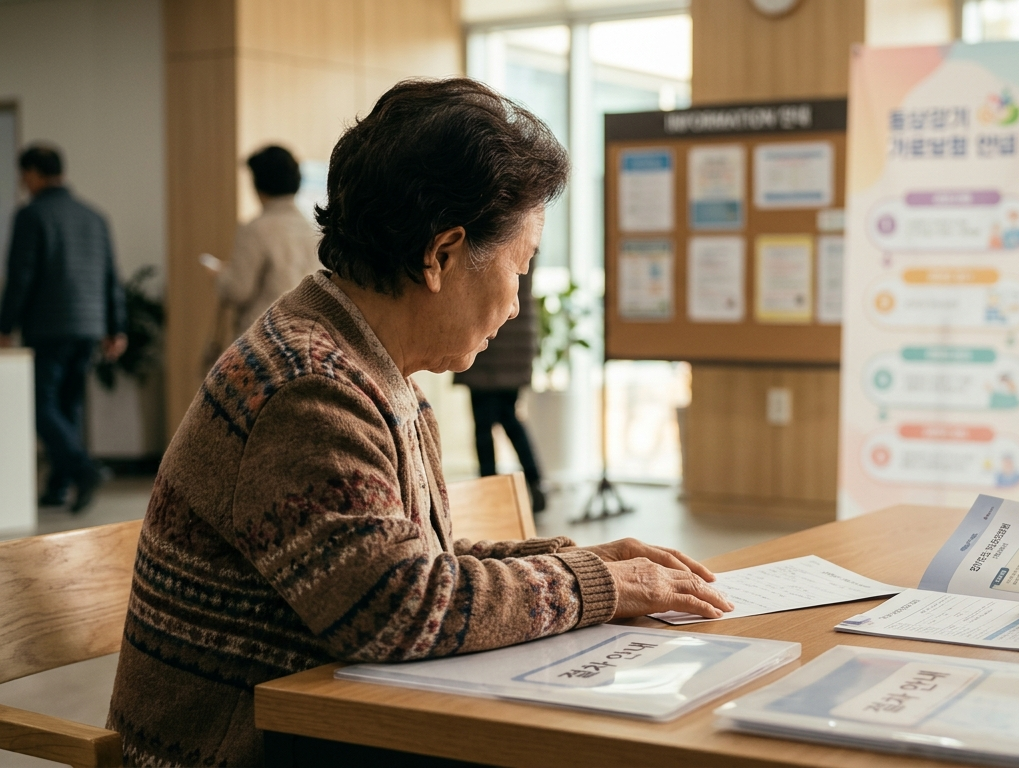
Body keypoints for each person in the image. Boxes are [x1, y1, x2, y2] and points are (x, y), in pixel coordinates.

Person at [106, 78, 733, 767]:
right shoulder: (309, 389)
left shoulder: (365, 363)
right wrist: (596, 585)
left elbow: (416, 567)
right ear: (441, 255)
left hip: (327, 724)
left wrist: (578, 562)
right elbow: (400, 607)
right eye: (518, 268)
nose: (518, 304)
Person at [0, 145, 127, 512]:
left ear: (35, 174)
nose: (24, 182)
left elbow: (20, 277)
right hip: (88, 326)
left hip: (49, 326)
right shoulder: (94, 216)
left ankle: (82, 468)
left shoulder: (31, 215)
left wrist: (5, 324)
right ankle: (58, 486)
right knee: (68, 405)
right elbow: (110, 277)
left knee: (39, 405)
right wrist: (115, 327)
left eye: (24, 174)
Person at [454, 258, 548, 513]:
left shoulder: (497, 235)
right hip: (518, 342)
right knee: (510, 417)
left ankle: (490, 490)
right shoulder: (525, 240)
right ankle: (535, 482)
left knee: (484, 425)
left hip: (491, 337)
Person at [211, 145, 322, 334]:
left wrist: (219, 275)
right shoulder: (314, 229)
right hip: (306, 336)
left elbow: (238, 290)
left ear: (258, 184)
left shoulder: (256, 229)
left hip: (263, 337)